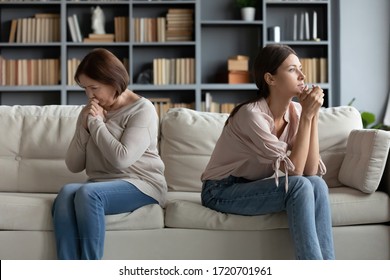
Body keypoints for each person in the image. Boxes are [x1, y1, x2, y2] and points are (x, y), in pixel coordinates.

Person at [201, 44, 335, 260]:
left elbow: (311, 171)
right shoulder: (251, 115)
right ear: (270, 79)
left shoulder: (296, 111)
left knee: (318, 184)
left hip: (252, 186)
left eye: (300, 68)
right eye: (292, 70)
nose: (302, 76)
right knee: (298, 186)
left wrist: (313, 115)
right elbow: (296, 173)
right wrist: (308, 117)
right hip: (220, 190)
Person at [52, 48, 167, 260]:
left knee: (88, 194)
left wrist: (96, 124)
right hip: (101, 183)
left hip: (142, 184)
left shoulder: (142, 110)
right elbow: (74, 165)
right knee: (66, 193)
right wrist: (84, 128)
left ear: (113, 82)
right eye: (85, 88)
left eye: (94, 88)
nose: (89, 95)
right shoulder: (90, 112)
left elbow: (121, 159)